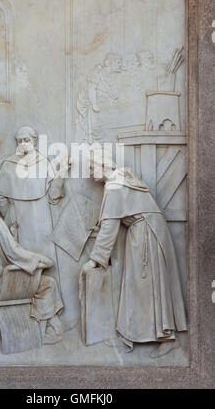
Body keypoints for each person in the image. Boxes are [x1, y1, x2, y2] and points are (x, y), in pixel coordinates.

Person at [80, 150, 187, 358]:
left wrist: (94, 260)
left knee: (147, 285)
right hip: (147, 231)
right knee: (139, 286)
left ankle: (167, 337)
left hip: (145, 234)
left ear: (103, 166)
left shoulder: (114, 185)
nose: (92, 174)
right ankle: (132, 334)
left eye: (93, 168)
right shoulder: (122, 177)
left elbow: (110, 227)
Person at [0, 181, 64, 344]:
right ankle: (49, 330)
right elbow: (14, 253)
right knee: (49, 284)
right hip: (0, 287)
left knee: (43, 283)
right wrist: (40, 259)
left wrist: (10, 235)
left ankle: (47, 327)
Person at [0, 126, 64, 285]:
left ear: (34, 141)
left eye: (27, 140)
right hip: (19, 219)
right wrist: (10, 215)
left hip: (41, 219)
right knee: (21, 260)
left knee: (44, 258)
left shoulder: (44, 162)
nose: (24, 143)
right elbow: (0, 196)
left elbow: (54, 195)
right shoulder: (8, 164)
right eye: (20, 140)